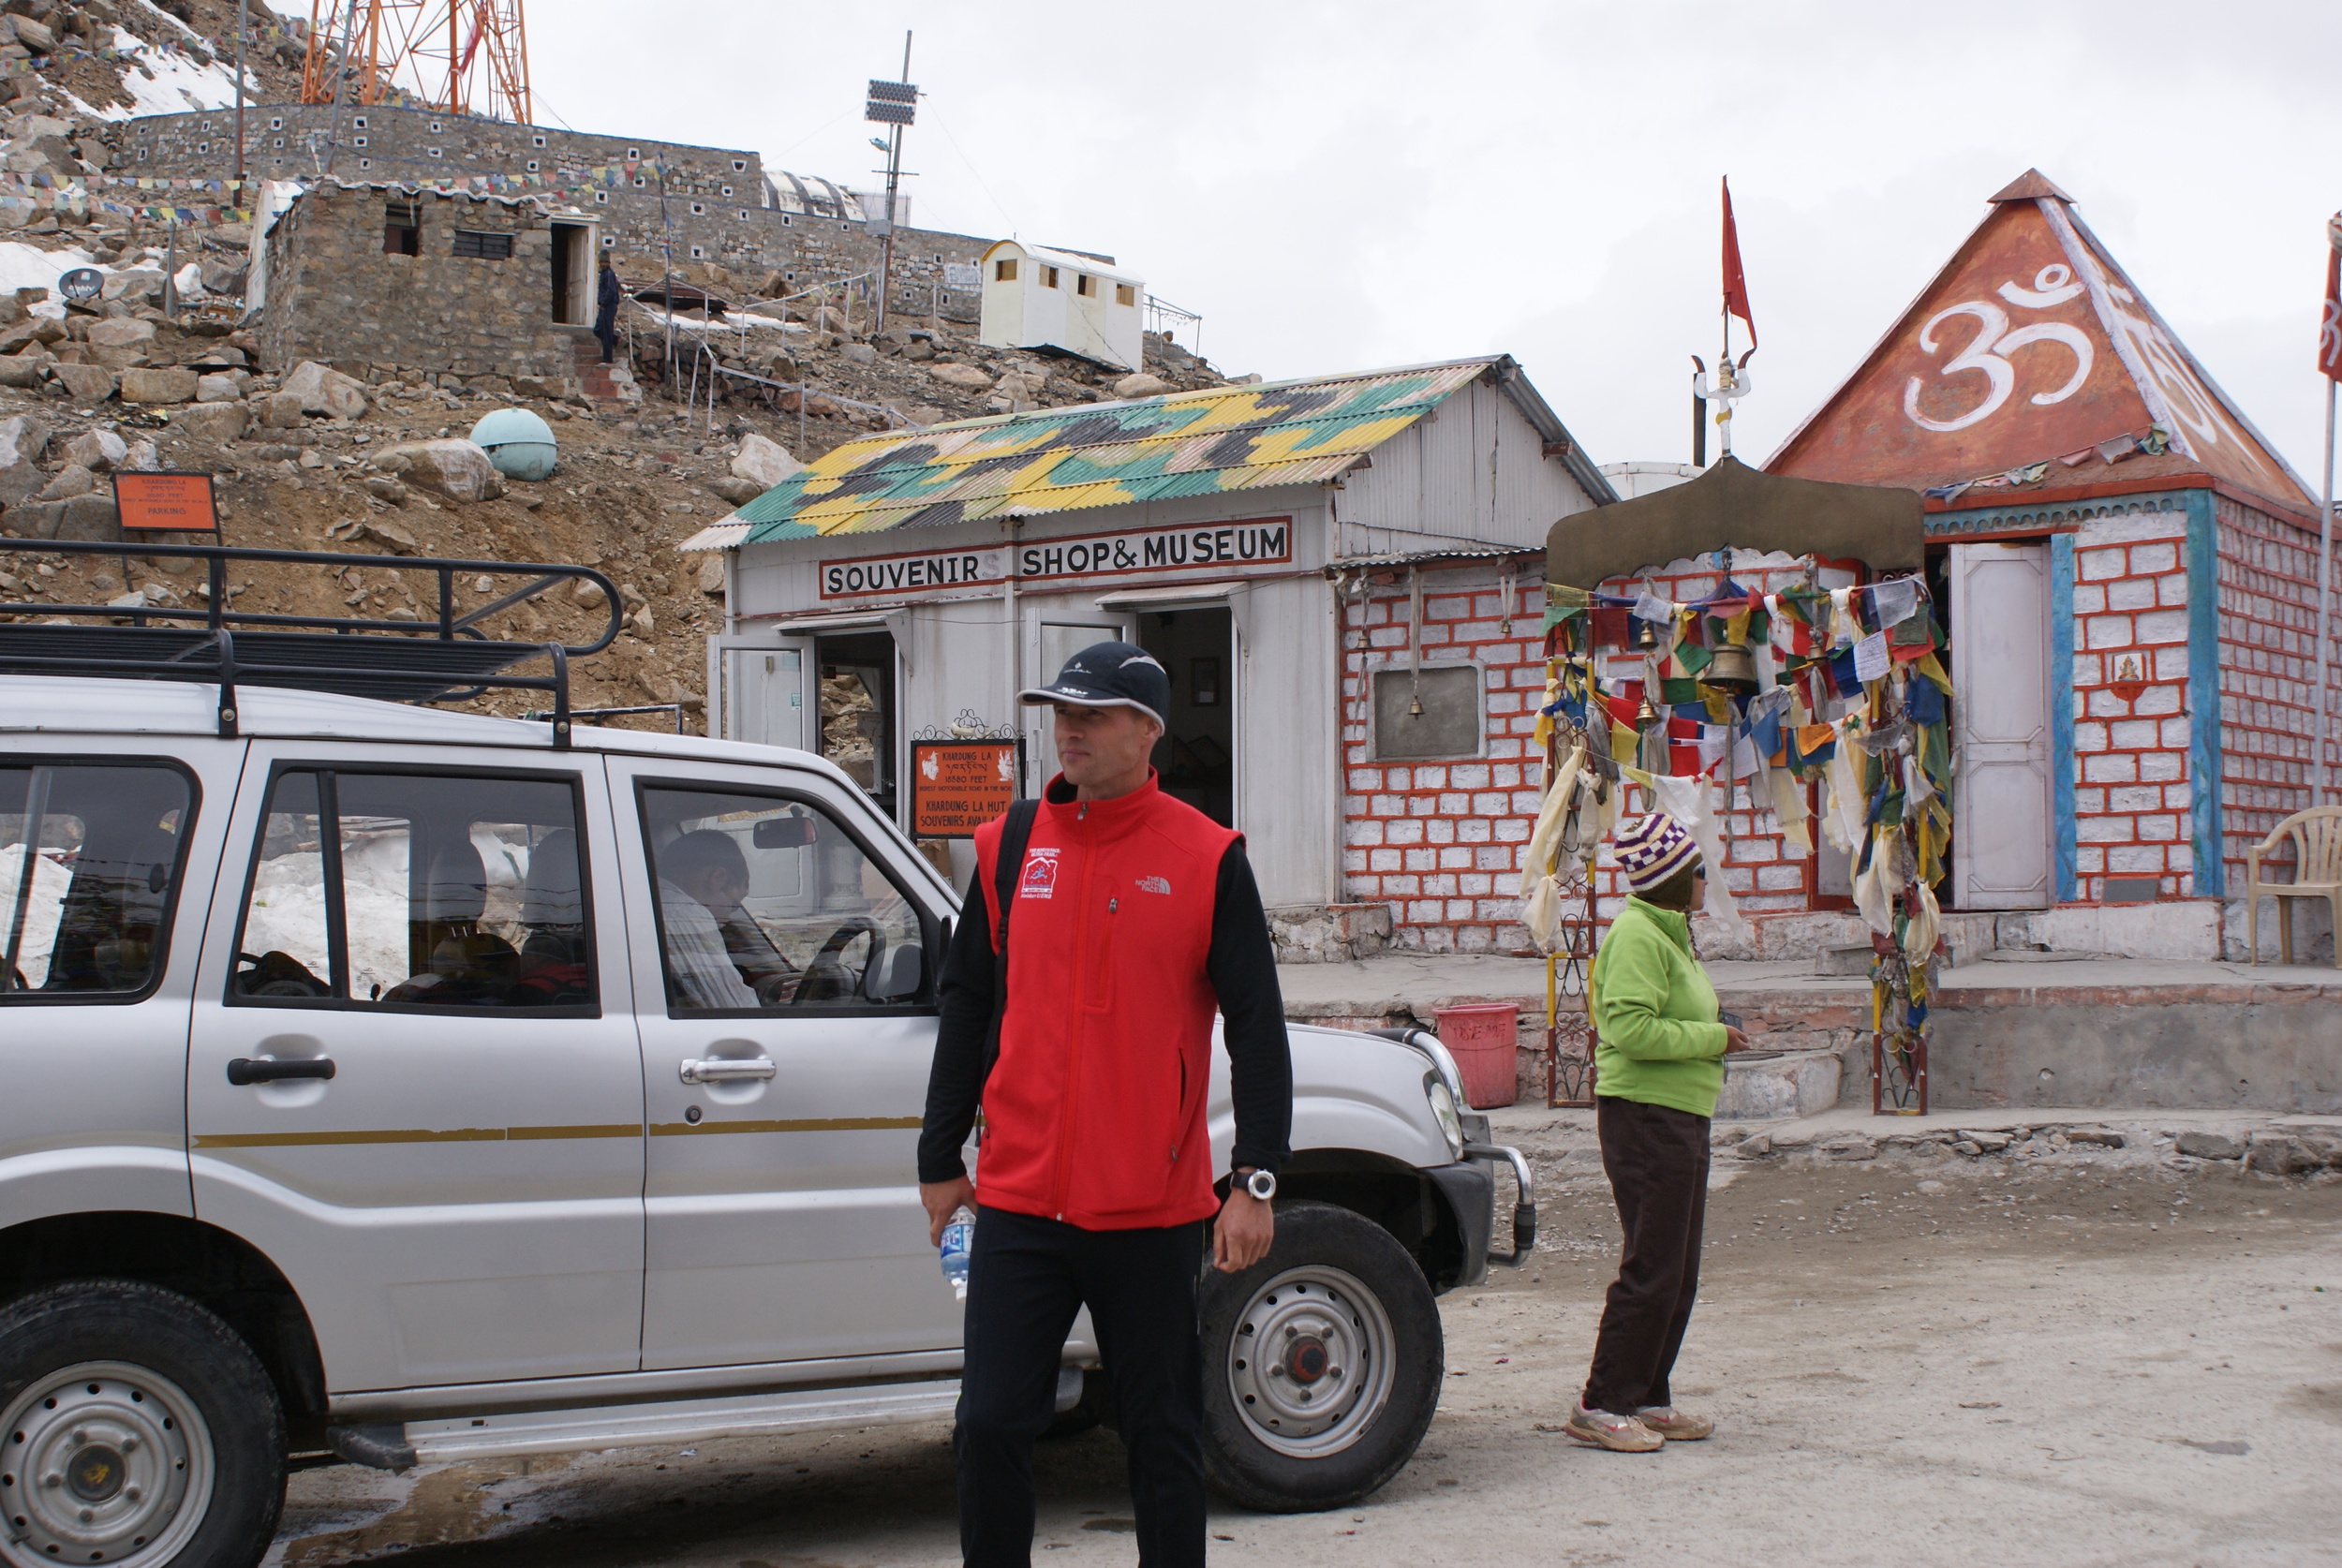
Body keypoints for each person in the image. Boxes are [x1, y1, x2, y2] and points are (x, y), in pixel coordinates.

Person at [919, 642, 1292, 1568]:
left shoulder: (1206, 858)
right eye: (1060, 711)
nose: (1068, 729)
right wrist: (938, 1156)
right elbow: (966, 1004)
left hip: (1147, 1211)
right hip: (1018, 1204)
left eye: (1090, 715)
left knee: (1162, 1437)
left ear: (1146, 731)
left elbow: (1257, 1028)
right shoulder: (1009, 848)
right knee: (992, 1427)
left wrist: (1254, 1182)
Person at [1565, 811, 1750, 1453]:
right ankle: (1602, 1403)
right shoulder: (1638, 936)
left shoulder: (1669, 933)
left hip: (1680, 1115)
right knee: (1652, 1267)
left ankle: (1648, 1394)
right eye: (1698, 870)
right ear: (1672, 879)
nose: (1706, 879)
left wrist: (1714, 1026)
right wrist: (1714, 1037)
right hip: (1645, 1118)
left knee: (1679, 1268)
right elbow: (1629, 1031)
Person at [656, 829, 797, 1009]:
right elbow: (734, 1008)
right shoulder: (684, 913)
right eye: (733, 904)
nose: (728, 918)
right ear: (718, 878)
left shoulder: (651, 901)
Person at [594, 258, 622, 364]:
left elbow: (610, 291)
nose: (603, 264)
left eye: (605, 262)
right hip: (604, 305)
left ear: (609, 263)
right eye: (601, 261)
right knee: (598, 329)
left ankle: (607, 359)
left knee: (606, 331)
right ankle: (615, 339)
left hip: (608, 306)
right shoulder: (604, 274)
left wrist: (604, 303)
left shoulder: (609, 274)